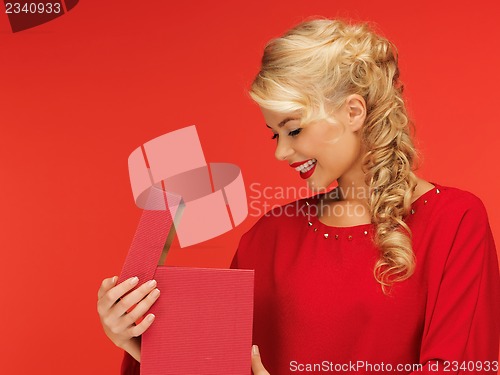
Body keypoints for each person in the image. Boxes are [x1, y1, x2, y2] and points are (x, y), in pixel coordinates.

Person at [97, 18, 500, 374]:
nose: (280, 152)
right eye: (274, 134)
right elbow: (217, 365)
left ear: (353, 112)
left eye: (293, 130)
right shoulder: (269, 237)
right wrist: (138, 344)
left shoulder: (455, 221)